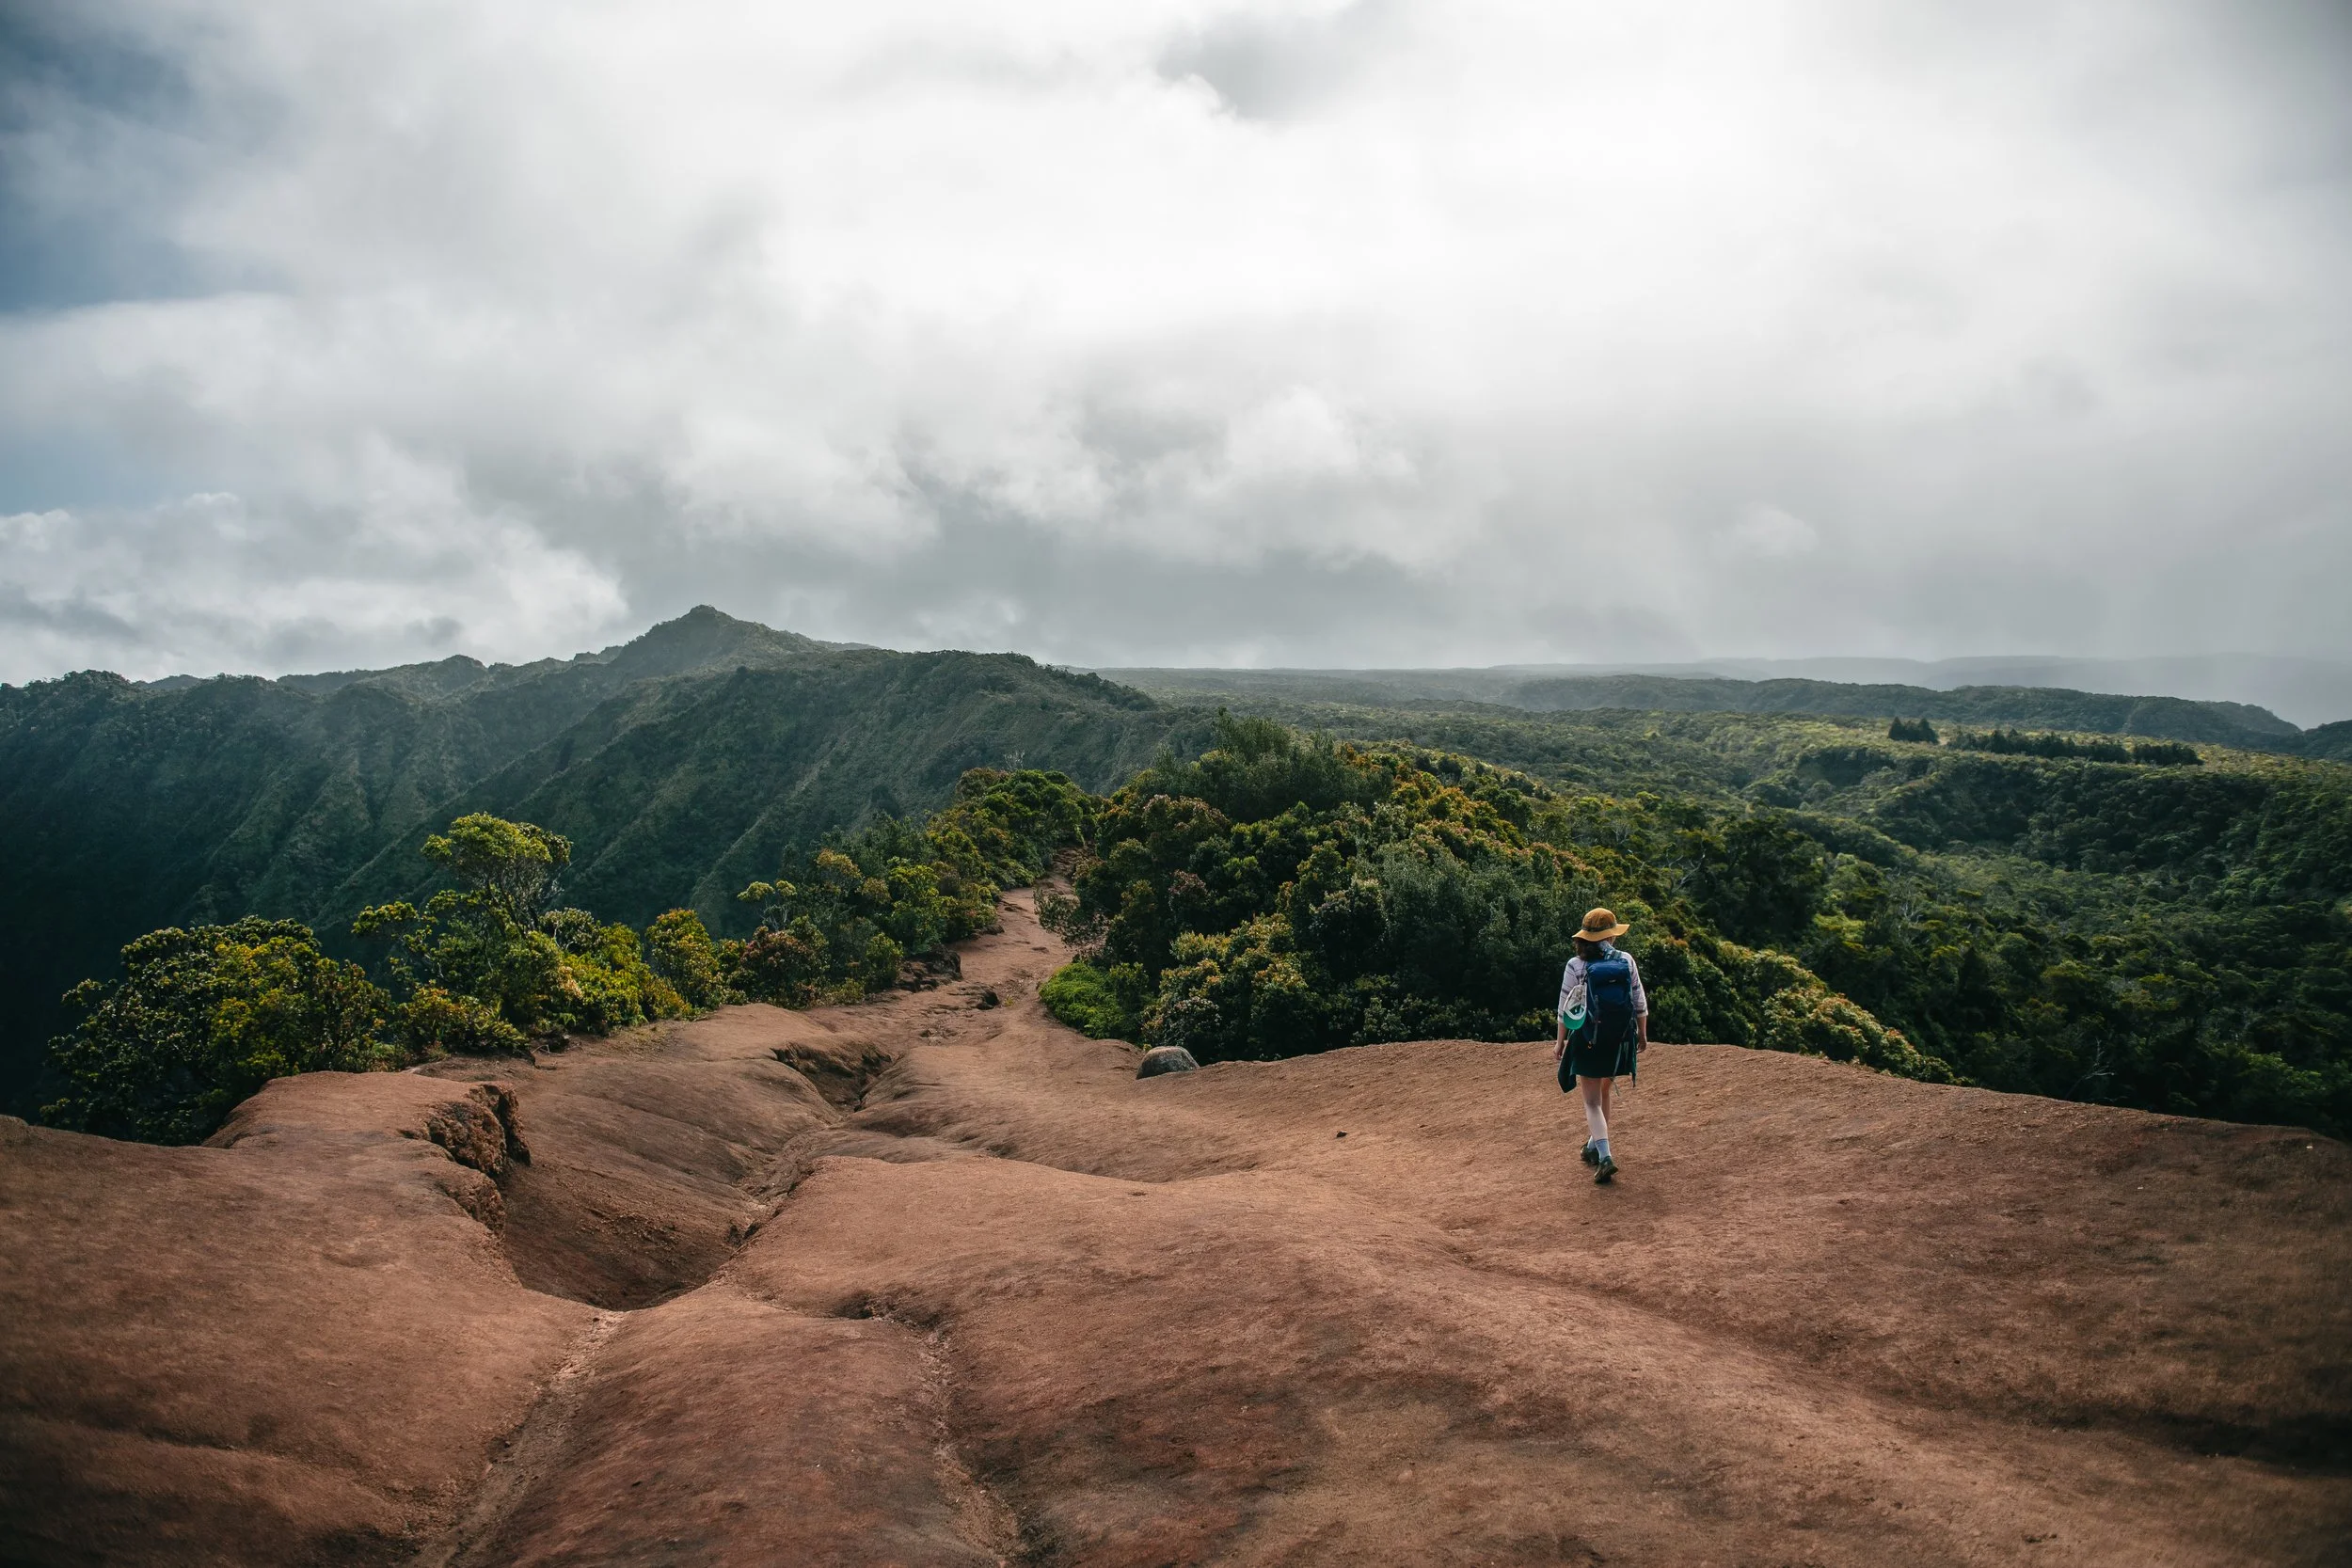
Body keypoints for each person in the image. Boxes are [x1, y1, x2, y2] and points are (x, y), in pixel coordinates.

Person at [1554, 907, 1648, 1185]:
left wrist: (1560, 1042)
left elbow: (1565, 1008)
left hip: (1588, 1039)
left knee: (1592, 1102)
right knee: (1604, 1093)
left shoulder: (1575, 965)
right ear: (1611, 936)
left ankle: (1605, 1156)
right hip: (1619, 1038)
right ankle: (1593, 1147)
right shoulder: (1626, 960)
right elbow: (1639, 1000)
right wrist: (1642, 1034)